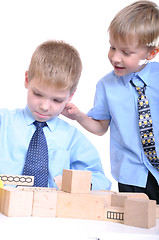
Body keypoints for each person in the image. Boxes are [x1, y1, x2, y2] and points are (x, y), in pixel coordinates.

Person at [62, 1, 159, 203]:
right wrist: (79, 116)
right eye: (112, 47)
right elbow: (100, 128)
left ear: (150, 53)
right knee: (136, 226)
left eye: (126, 52)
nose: (115, 57)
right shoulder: (106, 85)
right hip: (131, 174)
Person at [0, 40, 111, 190]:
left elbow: (100, 180)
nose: (44, 106)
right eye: (38, 94)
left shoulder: (72, 138)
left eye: (57, 100)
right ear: (27, 80)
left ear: (70, 96)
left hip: (52, 210)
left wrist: (80, 185)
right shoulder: (3, 122)